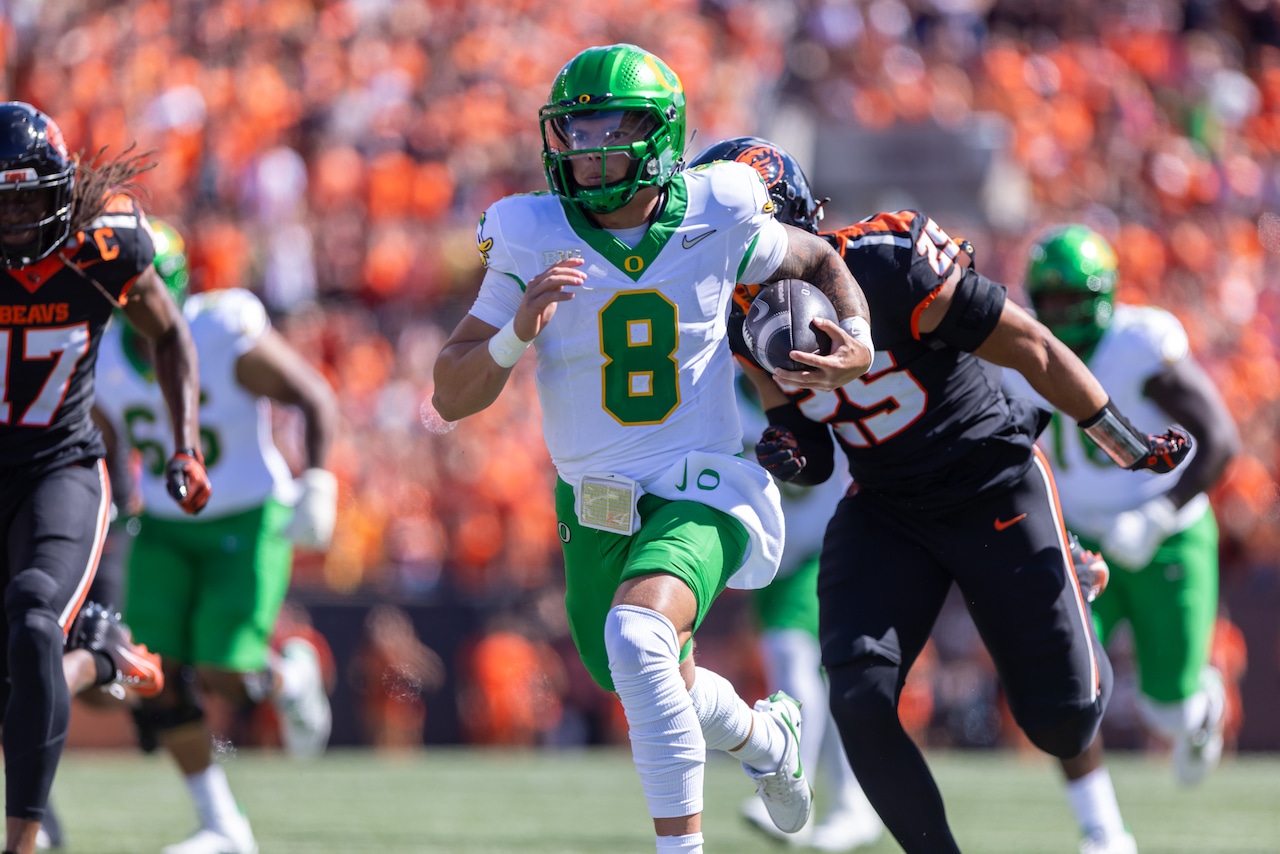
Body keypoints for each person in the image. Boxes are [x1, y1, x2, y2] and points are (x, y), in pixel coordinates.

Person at [431, 44, 875, 854]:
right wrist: (512, 339)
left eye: (611, 127)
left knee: (638, 641)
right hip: (594, 496)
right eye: (577, 130)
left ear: (662, 133)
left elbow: (817, 257)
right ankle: (767, 739)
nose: (592, 149)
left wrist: (860, 336)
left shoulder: (723, 204)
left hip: (703, 483)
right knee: (634, 675)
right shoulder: (527, 232)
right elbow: (449, 392)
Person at [694, 137, 1192, 854]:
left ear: (793, 220)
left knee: (1063, 724)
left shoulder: (890, 264)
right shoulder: (742, 319)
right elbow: (809, 441)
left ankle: (1069, 590)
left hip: (990, 481)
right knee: (859, 699)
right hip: (889, 507)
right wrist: (788, 452)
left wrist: (1120, 437)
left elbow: (1035, 346)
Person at [92, 218, 341, 854]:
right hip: (166, 527)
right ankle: (223, 825)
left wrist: (317, 481)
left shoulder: (218, 332)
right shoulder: (100, 354)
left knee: (225, 672)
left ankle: (288, 679)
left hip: (247, 516)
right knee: (150, 674)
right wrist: (111, 520)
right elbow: (109, 451)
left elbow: (313, 395)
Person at [0, 101, 207, 854]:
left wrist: (186, 445)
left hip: (59, 466)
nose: (18, 221)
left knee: (30, 619)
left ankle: (21, 842)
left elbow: (171, 333)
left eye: (29, 200)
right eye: (3, 204)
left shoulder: (102, 248)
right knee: (14, 670)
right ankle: (103, 655)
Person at [1012, 225, 1239, 786]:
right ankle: (1101, 828)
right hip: (1081, 538)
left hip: (1166, 530)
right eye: (1052, 301)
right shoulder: (1020, 349)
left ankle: (1200, 706)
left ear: (1103, 295)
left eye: (1074, 300)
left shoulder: (1137, 345)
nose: (1062, 315)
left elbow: (1219, 438)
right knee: (1067, 679)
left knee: (1168, 709)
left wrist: (1158, 514)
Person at [734, 375, 883, 851]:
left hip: (823, 545)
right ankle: (850, 803)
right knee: (822, 676)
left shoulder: (819, 389)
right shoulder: (715, 390)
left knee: (794, 660)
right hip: (772, 559)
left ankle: (795, 791)